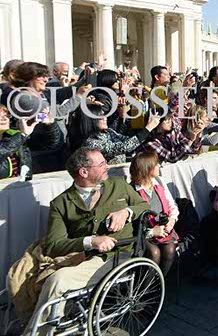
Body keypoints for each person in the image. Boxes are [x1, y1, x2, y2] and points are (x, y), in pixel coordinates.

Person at [25, 148, 148, 335]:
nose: (108, 166)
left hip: (117, 256)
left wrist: (126, 212)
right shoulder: (61, 203)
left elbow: (143, 205)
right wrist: (90, 241)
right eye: (102, 164)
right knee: (29, 278)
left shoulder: (119, 184)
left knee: (58, 280)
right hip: (83, 257)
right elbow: (53, 246)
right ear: (84, 172)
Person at [129, 151, 179, 275]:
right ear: (147, 169)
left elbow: (172, 205)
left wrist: (172, 220)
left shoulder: (159, 182)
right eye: (156, 164)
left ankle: (160, 282)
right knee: (154, 253)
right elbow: (132, 225)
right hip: (142, 233)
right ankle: (145, 285)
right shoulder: (132, 190)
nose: (159, 166)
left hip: (163, 229)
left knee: (170, 249)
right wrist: (151, 232)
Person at [82, 106, 160, 164]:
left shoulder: (108, 132)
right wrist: (148, 127)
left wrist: (148, 127)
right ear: (91, 120)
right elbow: (124, 147)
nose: (105, 118)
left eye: (105, 115)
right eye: (101, 117)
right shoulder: (91, 142)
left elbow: (129, 139)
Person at [0, 104, 36, 180]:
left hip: (20, 185)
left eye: (7, 115)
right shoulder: (18, 137)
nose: (4, 119)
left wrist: (49, 126)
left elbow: (49, 145)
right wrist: (23, 135)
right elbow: (2, 152)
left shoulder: (14, 135)